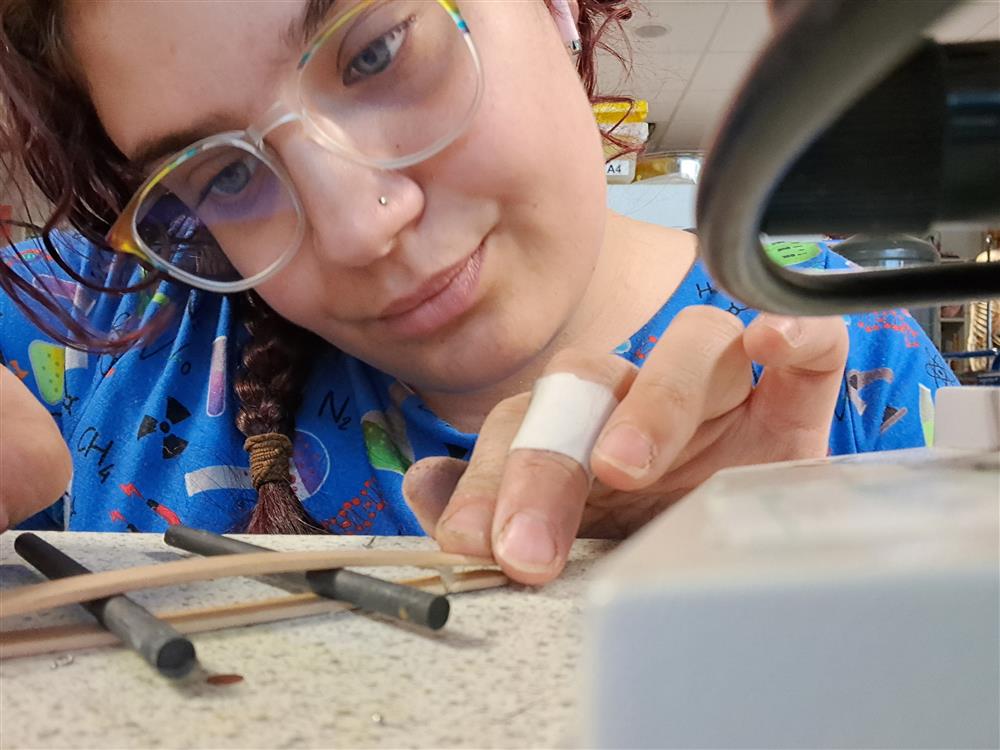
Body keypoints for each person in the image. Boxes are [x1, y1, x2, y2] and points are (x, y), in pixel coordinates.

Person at [0, 0, 957, 585]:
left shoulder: (841, 359)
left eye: (376, 54)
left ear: (558, 7)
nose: (358, 227)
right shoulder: (106, 330)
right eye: (225, 175)